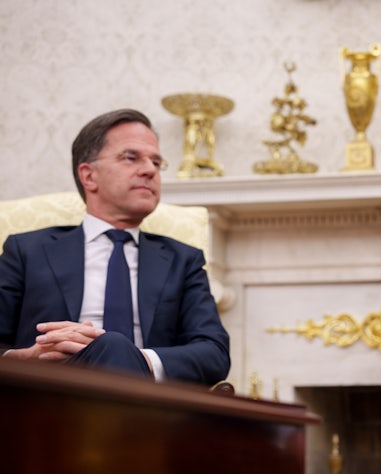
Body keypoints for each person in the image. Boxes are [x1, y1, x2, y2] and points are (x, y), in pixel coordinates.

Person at [0, 108, 230, 385]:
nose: (149, 170)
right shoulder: (27, 251)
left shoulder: (183, 260)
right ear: (89, 176)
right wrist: (28, 359)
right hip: (45, 397)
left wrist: (137, 359)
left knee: (114, 346)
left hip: (147, 404)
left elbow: (214, 353)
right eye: (131, 158)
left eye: (156, 163)